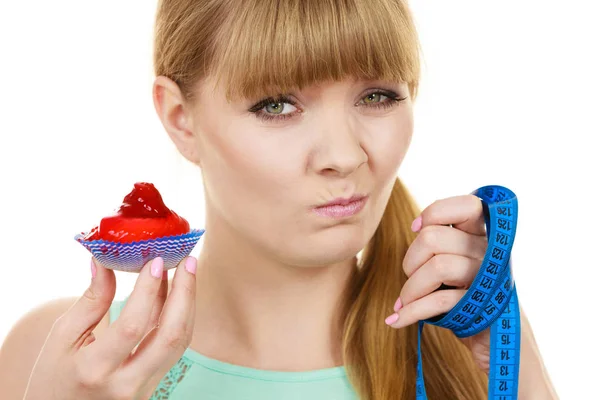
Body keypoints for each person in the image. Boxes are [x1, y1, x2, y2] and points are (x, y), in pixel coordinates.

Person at [0, 0, 559, 399]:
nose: (344, 155)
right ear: (180, 119)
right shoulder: (63, 359)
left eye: (378, 95)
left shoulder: (475, 361)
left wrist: (516, 366)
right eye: (276, 105)